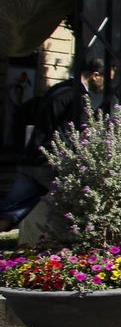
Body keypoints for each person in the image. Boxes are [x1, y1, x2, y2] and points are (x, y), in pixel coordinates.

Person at [0, 57, 106, 231]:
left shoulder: (58, 88)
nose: (104, 86)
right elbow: (84, 132)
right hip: (52, 162)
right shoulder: (79, 96)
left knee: (10, 210)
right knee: (83, 207)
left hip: (32, 156)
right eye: (105, 79)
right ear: (95, 75)